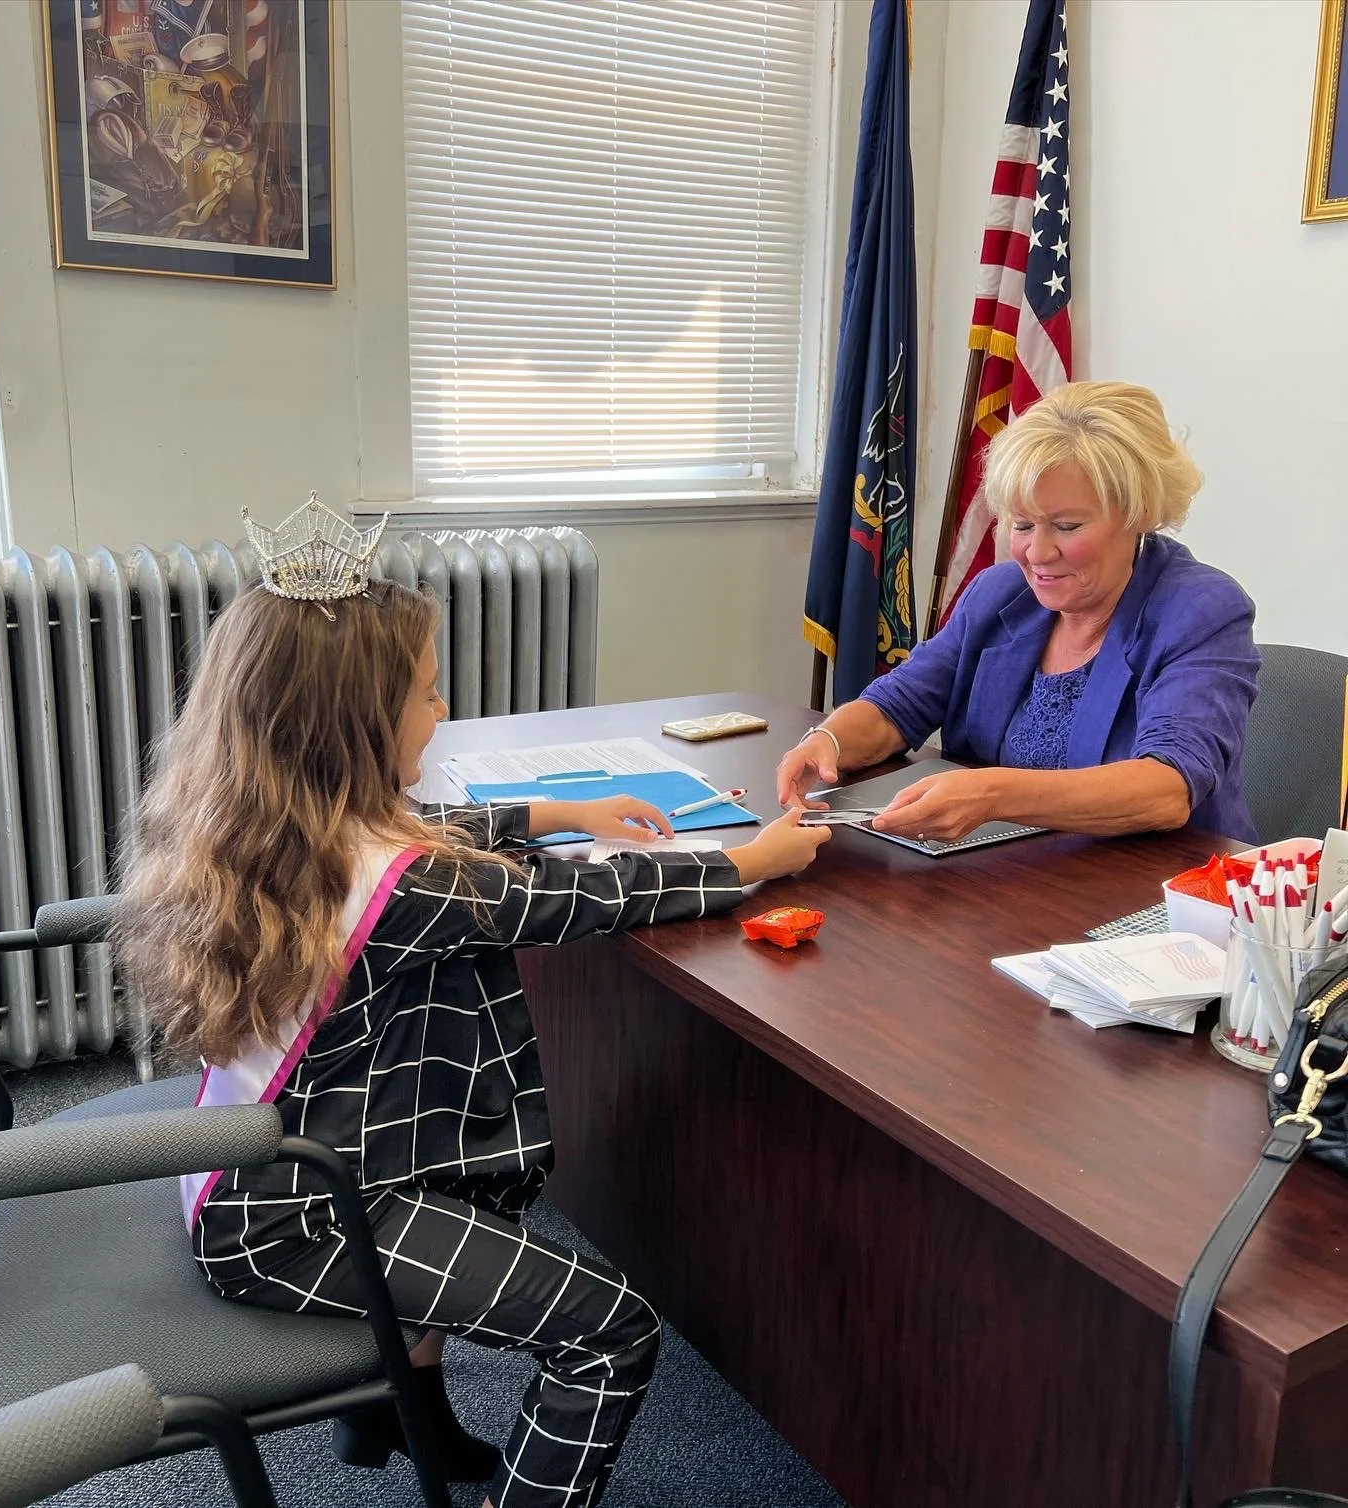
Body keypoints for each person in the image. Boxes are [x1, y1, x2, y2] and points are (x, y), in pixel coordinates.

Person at [118, 499, 829, 1508]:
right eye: (426, 691)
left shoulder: (274, 814)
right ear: (356, 725)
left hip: (265, 1160)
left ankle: (395, 1413)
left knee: (466, 1161)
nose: (442, 708)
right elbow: (573, 897)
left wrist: (556, 807)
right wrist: (754, 861)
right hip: (298, 1215)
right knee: (611, 1329)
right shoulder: (404, 885)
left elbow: (429, 827)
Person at [777, 381, 1261, 842]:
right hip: (1011, 873)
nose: (1037, 553)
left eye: (1067, 526)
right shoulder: (1000, 592)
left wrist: (991, 795)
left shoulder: (1202, 612)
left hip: (1165, 885)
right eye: (1023, 524)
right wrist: (828, 742)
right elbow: (897, 707)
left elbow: (1167, 790)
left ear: (1141, 514)